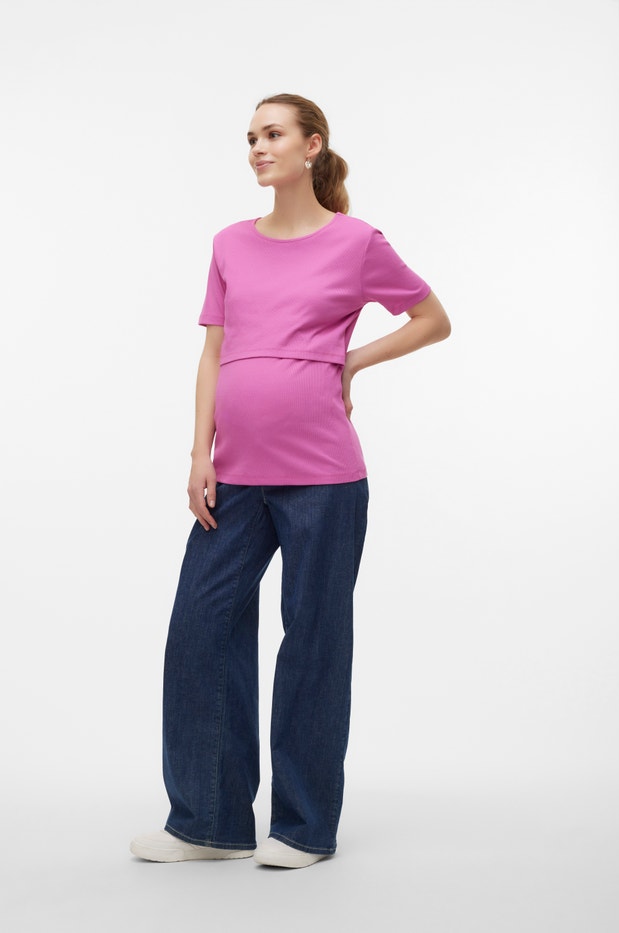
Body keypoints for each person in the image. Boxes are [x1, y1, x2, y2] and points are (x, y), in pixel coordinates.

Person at [130, 93, 451, 869]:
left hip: (324, 478)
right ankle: (209, 822)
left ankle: (304, 827)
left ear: (312, 146)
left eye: (272, 134)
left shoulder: (357, 242)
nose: (257, 147)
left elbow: (432, 318)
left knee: (312, 643)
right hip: (235, 476)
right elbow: (214, 352)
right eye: (250, 137)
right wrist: (200, 453)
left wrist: (353, 360)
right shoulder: (230, 243)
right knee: (201, 630)